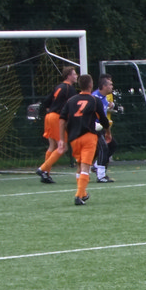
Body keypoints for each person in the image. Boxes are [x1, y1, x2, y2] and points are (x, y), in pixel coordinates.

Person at [58, 72, 109, 205]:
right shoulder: (94, 100)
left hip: (74, 138)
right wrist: (108, 132)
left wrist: (61, 139)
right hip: (88, 136)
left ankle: (83, 193)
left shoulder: (71, 101)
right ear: (91, 85)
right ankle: (78, 196)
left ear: (79, 85)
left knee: (80, 166)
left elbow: (62, 119)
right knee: (86, 167)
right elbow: (103, 120)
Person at [36, 65, 80, 183]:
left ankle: (46, 174)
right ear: (69, 76)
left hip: (49, 116)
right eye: (74, 74)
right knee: (63, 147)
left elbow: (46, 102)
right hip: (57, 117)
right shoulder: (70, 89)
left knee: (52, 146)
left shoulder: (58, 87)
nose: (76, 76)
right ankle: (43, 169)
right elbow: (72, 106)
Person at [92, 74, 119, 182]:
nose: (112, 87)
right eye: (110, 84)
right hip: (93, 128)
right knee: (103, 148)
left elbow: (104, 111)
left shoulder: (103, 98)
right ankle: (101, 175)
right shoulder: (95, 97)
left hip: (101, 128)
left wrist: (112, 105)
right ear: (104, 86)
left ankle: (96, 166)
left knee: (112, 145)